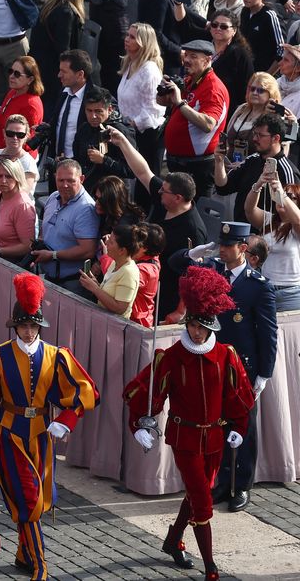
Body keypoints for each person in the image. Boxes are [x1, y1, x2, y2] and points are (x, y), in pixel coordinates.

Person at [0, 273, 99, 581]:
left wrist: (68, 419)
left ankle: (24, 553)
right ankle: (40, 564)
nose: (28, 332)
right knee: (27, 499)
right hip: (8, 434)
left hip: (42, 435)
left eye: (33, 326)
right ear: (15, 326)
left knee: (38, 497)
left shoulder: (56, 355)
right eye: (23, 326)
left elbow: (85, 390)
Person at [124, 266, 255, 581]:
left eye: (201, 326)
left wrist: (238, 428)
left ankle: (172, 539)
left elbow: (239, 396)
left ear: (211, 327)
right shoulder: (170, 357)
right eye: (192, 325)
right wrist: (139, 426)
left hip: (214, 440)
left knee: (199, 494)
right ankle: (211, 568)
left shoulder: (226, 355)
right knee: (204, 504)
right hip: (184, 439)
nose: (196, 332)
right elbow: (147, 392)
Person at [174, 222, 277, 514]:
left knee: (244, 427)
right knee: (217, 424)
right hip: (214, 361)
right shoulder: (212, 271)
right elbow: (174, 263)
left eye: (227, 246)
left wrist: (264, 374)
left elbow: (268, 334)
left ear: (243, 249)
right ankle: (222, 482)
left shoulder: (258, 286)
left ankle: (242, 485)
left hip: (242, 366)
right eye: (220, 244)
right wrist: (195, 252)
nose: (221, 249)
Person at [107, 131, 209, 322]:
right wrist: (122, 142)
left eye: (164, 190)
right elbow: (143, 172)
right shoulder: (166, 200)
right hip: (142, 284)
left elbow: (194, 275)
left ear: (178, 198)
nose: (159, 190)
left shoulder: (193, 230)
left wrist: (180, 312)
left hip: (166, 297)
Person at [158, 39, 230, 198]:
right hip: (178, 163)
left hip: (197, 167)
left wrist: (179, 102)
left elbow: (208, 124)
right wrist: (163, 94)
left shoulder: (213, 88)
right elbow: (164, 102)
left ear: (208, 59)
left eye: (193, 56)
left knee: (193, 216)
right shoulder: (191, 80)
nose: (187, 60)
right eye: (186, 55)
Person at [215, 113, 299, 225]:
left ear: (276, 138)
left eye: (260, 135)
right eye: (255, 133)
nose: (254, 138)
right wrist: (219, 161)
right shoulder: (251, 160)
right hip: (241, 232)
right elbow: (223, 188)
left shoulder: (288, 171)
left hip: (267, 238)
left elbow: (292, 217)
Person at [30, 160, 100, 294]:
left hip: (72, 284)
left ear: (81, 179)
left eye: (70, 180)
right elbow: (45, 230)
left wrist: (53, 255)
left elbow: (88, 250)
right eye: (60, 180)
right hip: (49, 278)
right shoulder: (53, 197)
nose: (65, 185)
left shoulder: (86, 209)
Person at [117, 22, 166, 208]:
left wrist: (131, 124)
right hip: (129, 133)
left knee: (143, 187)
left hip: (147, 137)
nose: (126, 40)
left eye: (132, 37)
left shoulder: (149, 70)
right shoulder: (130, 63)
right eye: (127, 35)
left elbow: (153, 109)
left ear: (144, 43)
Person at [27, 0, 87, 101]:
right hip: (53, 74)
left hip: (41, 67)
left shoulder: (49, 5)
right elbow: (64, 49)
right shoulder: (66, 13)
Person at [245, 180, 300, 311]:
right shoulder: (268, 220)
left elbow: (297, 219)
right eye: (279, 195)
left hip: (292, 292)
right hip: (266, 288)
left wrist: (281, 192)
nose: (282, 198)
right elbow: (249, 209)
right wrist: (258, 184)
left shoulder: (296, 225)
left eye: (290, 197)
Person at [80, 223, 146, 318]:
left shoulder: (129, 272)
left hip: (113, 329)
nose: (106, 243)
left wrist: (94, 288)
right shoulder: (114, 263)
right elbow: (110, 294)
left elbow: (120, 308)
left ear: (122, 250)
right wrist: (95, 283)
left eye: (111, 242)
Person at [76, 86, 134, 193]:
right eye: (89, 111)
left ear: (110, 109)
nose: (93, 116)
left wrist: (104, 160)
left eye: (98, 111)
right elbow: (78, 160)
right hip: (89, 191)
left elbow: (131, 170)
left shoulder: (120, 132)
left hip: (114, 194)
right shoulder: (84, 129)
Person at [44, 48, 94, 159]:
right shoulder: (63, 92)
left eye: (64, 72)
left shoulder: (96, 98)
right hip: (57, 163)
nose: (59, 75)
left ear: (80, 75)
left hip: (80, 167)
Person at [0, 55, 44, 148]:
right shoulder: (13, 92)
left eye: (17, 74)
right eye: (11, 72)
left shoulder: (31, 105)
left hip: (14, 158)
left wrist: (0, 150)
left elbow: (26, 142)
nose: (11, 76)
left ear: (30, 79)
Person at [208, 9, 255, 112]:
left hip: (227, 108)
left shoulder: (240, 54)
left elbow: (247, 86)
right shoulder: (203, 48)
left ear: (234, 31)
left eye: (224, 27)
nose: (218, 29)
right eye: (215, 25)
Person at [0, 157, 38, 261]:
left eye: (9, 176)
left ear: (17, 177)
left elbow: (28, 246)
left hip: (13, 265)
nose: (3, 180)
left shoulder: (23, 205)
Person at [239, 0, 284, 73]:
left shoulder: (269, 15)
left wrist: (267, 75)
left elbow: (281, 50)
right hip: (245, 71)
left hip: (263, 73)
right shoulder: (244, 12)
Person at [0, 114, 39, 186]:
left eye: (20, 135)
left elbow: (25, 193)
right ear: (4, 133)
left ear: (26, 136)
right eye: (10, 133)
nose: (15, 138)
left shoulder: (28, 163)